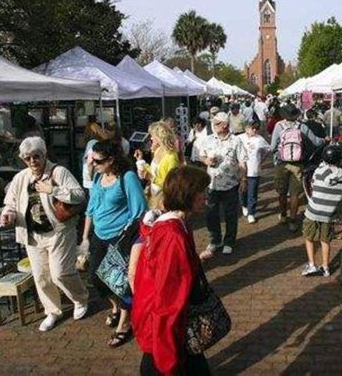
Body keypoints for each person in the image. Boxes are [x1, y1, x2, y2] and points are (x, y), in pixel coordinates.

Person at [0, 136, 89, 332]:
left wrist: (54, 190)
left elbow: (80, 195)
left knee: (60, 274)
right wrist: (8, 215)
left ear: (44, 154)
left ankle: (80, 299)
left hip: (58, 232)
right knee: (41, 277)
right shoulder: (21, 178)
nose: (32, 161)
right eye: (27, 158)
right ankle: (53, 311)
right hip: (32, 235)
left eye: (36, 156)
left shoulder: (59, 172)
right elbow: (10, 204)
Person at [132, 166, 213, 376]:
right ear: (187, 195)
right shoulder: (173, 235)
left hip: (165, 328)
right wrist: (168, 356)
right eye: (202, 191)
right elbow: (169, 301)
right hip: (165, 333)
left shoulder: (176, 224)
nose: (206, 196)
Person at [81, 140, 147, 347]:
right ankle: (117, 307)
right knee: (95, 278)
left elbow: (139, 211)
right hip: (99, 237)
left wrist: (127, 238)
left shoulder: (127, 178)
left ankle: (125, 324)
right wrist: (84, 237)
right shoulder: (99, 176)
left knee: (120, 283)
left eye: (97, 161)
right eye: (91, 159)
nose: (92, 164)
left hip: (120, 239)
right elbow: (91, 209)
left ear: (111, 160)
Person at [302, 145, 342, 277]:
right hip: (329, 213)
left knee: (309, 238)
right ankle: (326, 267)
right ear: (339, 160)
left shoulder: (319, 170)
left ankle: (312, 265)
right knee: (325, 240)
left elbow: (313, 184)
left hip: (313, 211)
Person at [271, 104, 326, 232]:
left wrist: (276, 157)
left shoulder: (279, 126)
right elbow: (316, 141)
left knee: (282, 192)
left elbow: (273, 146)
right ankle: (293, 220)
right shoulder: (302, 126)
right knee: (295, 194)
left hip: (282, 163)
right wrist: (325, 140)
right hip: (298, 164)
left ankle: (283, 216)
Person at [200, 112, 248, 257]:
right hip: (212, 185)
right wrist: (206, 161)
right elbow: (201, 155)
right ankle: (215, 240)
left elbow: (242, 161)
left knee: (231, 215)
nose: (213, 126)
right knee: (211, 214)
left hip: (230, 184)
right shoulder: (208, 139)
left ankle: (229, 241)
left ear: (224, 125)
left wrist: (244, 179)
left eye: (216, 123)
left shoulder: (236, 141)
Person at [134, 121, 180, 207]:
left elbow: (172, 185)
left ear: (160, 137)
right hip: (153, 197)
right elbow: (153, 171)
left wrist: (151, 178)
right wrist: (140, 160)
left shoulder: (171, 157)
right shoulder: (158, 151)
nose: (150, 138)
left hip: (164, 201)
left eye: (152, 136)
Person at [239, 121, 271, 224]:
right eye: (250, 128)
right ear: (246, 128)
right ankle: (244, 205)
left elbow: (268, 150)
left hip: (254, 170)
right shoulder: (239, 138)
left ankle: (251, 213)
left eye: (254, 129)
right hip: (241, 170)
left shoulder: (260, 139)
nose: (252, 131)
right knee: (243, 191)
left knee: (252, 193)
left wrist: (261, 160)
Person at [82, 119, 107, 189]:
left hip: (92, 180)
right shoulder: (99, 143)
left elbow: (90, 161)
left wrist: (89, 177)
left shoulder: (91, 143)